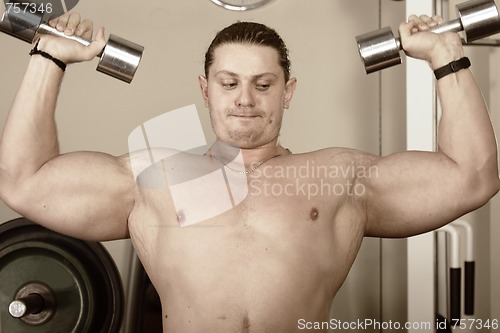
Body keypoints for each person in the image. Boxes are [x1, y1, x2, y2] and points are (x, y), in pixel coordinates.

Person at [0, 10, 498, 333]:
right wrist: (50, 55)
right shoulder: (154, 177)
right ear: (206, 88)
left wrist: (446, 57)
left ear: (288, 91)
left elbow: (472, 176)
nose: (244, 99)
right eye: (229, 82)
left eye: (263, 84)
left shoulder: (339, 175)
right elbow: (24, 181)